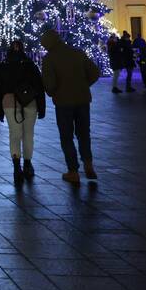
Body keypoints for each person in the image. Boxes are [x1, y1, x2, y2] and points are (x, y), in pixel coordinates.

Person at [41, 28, 101, 185]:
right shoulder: (77, 53)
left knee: (66, 136)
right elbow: (95, 72)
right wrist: (84, 85)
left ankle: (73, 171)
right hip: (82, 100)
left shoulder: (49, 58)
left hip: (63, 103)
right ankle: (88, 164)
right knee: (84, 133)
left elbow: (49, 85)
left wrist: (53, 92)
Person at [0, 39, 45, 184]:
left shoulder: (3, 66)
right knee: (28, 134)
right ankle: (28, 164)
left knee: (15, 134)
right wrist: (42, 107)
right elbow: (39, 86)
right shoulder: (30, 65)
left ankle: (17, 166)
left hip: (10, 102)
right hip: (29, 101)